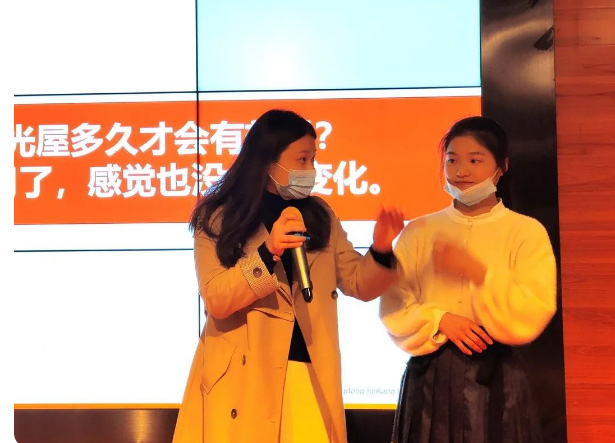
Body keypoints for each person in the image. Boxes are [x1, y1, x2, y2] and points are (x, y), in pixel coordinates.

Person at [172, 109, 404, 443]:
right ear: (268, 161)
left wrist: (381, 248)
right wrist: (267, 253)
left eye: (313, 159)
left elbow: (359, 283)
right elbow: (217, 299)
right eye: (302, 159)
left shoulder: (319, 214)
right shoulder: (218, 217)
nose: (310, 169)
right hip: (245, 380)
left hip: (308, 371)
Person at [379, 116, 557, 443]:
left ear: (502, 167)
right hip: (429, 378)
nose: (461, 171)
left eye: (475, 161)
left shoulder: (526, 232)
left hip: (497, 378)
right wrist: (440, 320)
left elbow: (534, 309)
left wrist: (479, 274)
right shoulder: (420, 231)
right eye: (452, 160)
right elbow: (393, 304)